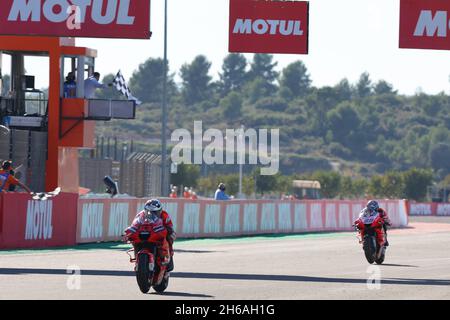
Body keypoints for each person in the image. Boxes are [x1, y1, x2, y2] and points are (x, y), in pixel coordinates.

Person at [124, 199, 176, 272]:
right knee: (134, 240)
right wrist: (130, 232)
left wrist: (169, 230)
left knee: (171, 236)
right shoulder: (140, 215)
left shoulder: (164, 215)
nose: (152, 214)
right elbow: (134, 224)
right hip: (146, 232)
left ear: (160, 211)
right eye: (149, 212)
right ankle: (137, 259)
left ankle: (169, 255)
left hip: (158, 232)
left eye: (155, 212)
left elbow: (170, 226)